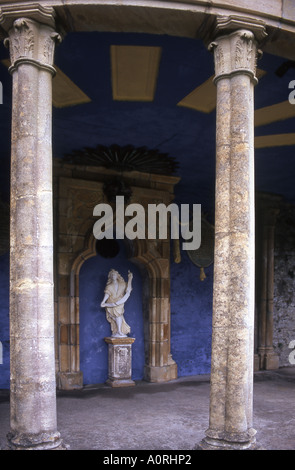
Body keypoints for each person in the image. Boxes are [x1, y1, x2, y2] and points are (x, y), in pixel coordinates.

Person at [100, 269, 133, 337]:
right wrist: (103, 302)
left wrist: (130, 279)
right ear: (110, 277)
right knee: (114, 317)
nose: (113, 276)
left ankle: (119, 331)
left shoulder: (122, 284)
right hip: (111, 302)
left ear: (117, 276)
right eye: (112, 275)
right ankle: (118, 330)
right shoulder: (109, 286)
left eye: (114, 274)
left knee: (118, 315)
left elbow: (128, 290)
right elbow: (107, 294)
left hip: (119, 302)